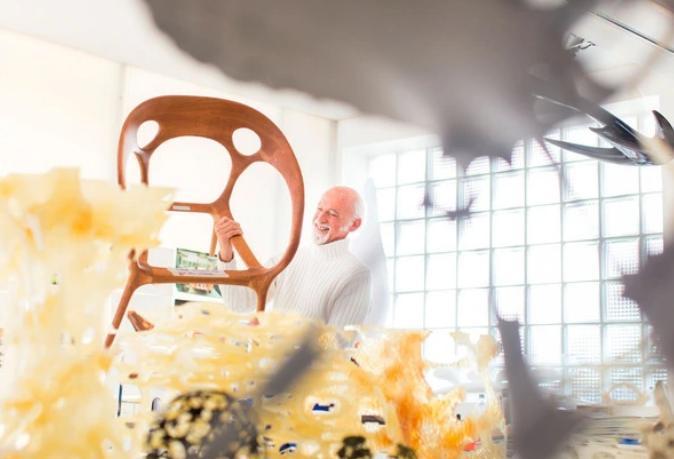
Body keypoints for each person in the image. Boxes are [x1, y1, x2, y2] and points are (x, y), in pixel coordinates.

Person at [215, 186, 371, 327]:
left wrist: (268, 337)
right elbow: (238, 304)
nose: (319, 219)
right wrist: (225, 250)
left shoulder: (356, 274)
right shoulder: (290, 257)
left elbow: (338, 343)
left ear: (354, 224)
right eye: (320, 209)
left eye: (332, 214)